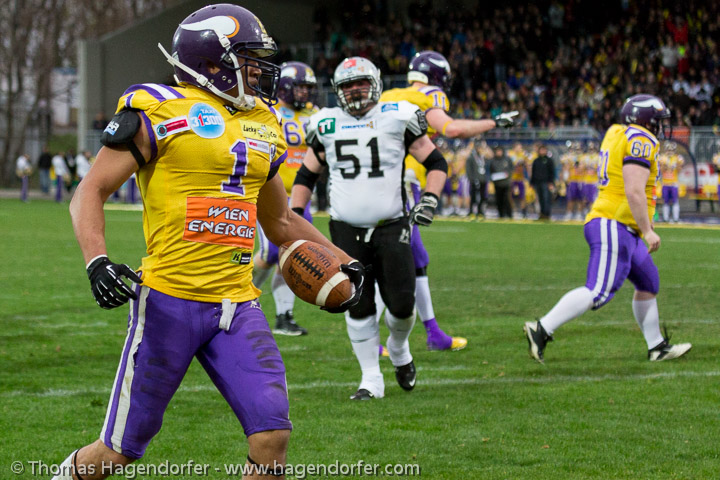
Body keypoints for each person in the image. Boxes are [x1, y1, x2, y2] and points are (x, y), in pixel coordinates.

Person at [53, 5, 364, 480]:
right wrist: (97, 261)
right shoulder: (158, 108)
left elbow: (280, 220)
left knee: (272, 435)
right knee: (118, 452)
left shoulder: (263, 120)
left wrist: (344, 262)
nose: (260, 71)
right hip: (168, 301)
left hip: (237, 306)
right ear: (213, 62)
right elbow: (89, 191)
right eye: (249, 60)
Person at [290, 57, 449, 400]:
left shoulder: (398, 115)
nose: (355, 90)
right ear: (338, 90)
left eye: (361, 83)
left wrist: (430, 198)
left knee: (402, 306)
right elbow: (306, 175)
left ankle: (400, 349)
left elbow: (436, 161)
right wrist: (294, 215)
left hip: (391, 224)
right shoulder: (325, 122)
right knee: (357, 304)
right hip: (345, 228)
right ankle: (371, 378)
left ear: (375, 83)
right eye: (348, 85)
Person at [524, 94, 692, 363]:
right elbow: (634, 190)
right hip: (615, 223)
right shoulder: (641, 138)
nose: (661, 127)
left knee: (648, 282)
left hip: (621, 225)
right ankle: (542, 328)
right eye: (657, 121)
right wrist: (647, 230)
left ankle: (657, 346)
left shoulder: (616, 132)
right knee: (598, 291)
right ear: (644, 120)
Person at [379, 50, 517, 350]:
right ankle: (374, 341)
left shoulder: (388, 95)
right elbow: (452, 128)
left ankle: (433, 333)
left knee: (417, 258)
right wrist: (493, 122)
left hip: (377, 180)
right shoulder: (429, 95)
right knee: (391, 259)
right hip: (401, 184)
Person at [252, 61, 319, 336]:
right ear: (287, 87)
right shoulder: (269, 110)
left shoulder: (315, 113)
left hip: (301, 196)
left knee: (292, 254)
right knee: (270, 253)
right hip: (271, 191)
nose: (305, 92)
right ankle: (242, 298)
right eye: (300, 87)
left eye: (308, 88)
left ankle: (284, 316)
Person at [465, 140, 490, 217]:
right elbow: (468, 169)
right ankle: (471, 210)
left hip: (482, 179)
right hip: (474, 180)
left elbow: (490, 156)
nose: (480, 149)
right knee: (473, 196)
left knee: (482, 196)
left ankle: (480, 211)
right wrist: (471, 178)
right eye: (478, 147)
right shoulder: (471, 157)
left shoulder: (483, 157)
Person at [531, 144, 556, 220]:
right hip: (538, 182)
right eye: (541, 150)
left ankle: (547, 214)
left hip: (546, 183)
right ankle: (542, 214)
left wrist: (551, 182)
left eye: (544, 150)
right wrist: (532, 182)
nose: (542, 151)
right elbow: (533, 172)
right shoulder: (536, 161)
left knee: (546, 198)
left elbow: (552, 172)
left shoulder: (549, 161)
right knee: (540, 199)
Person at [489, 145, 513, 218]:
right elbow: (491, 170)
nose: (499, 153)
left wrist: (508, 174)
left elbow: (511, 169)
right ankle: (501, 214)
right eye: (497, 151)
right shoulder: (493, 160)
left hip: (506, 183)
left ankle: (509, 214)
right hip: (497, 183)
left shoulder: (507, 159)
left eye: (500, 151)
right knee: (499, 199)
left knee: (507, 199)